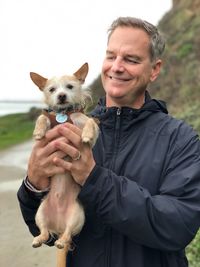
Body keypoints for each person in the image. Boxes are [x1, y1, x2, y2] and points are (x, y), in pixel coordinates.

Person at [17, 17, 200, 267]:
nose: (116, 67)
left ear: (155, 69)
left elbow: (177, 226)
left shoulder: (181, 139)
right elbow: (50, 234)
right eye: (111, 56)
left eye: (131, 59)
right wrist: (33, 186)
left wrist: (94, 179)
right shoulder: (72, 130)